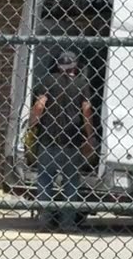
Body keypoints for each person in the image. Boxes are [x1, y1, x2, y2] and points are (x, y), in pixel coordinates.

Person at [28, 50, 95, 230]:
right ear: (75, 66)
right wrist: (90, 136)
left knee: (45, 181)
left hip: (48, 139)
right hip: (72, 141)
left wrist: (32, 123)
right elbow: (86, 110)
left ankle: (45, 221)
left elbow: (40, 105)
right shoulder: (82, 84)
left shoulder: (48, 81)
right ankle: (67, 223)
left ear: (58, 65)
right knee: (71, 183)